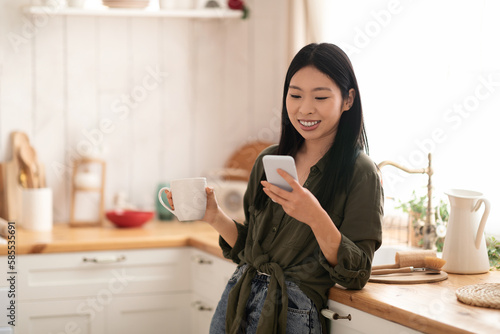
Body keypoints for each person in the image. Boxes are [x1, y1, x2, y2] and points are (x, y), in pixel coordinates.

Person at [166, 43, 383, 334]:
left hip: (292, 312)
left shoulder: (361, 173)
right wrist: (214, 216)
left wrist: (315, 216)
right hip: (238, 298)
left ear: (347, 100)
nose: (305, 108)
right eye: (295, 95)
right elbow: (248, 249)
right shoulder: (269, 161)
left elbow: (356, 273)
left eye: (320, 96)